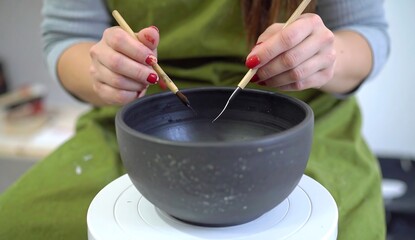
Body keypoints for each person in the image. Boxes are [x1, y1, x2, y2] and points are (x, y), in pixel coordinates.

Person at [0, 0, 390, 239]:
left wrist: (329, 55)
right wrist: (103, 69)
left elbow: (368, 34)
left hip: (303, 114)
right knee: (20, 223)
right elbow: (66, 38)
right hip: (138, 112)